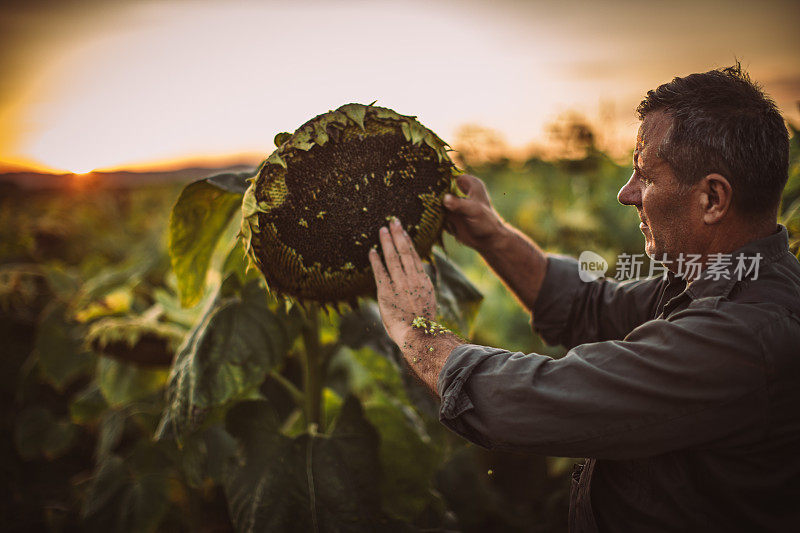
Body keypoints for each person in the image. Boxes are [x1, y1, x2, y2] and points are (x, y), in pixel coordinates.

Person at [368, 64, 800, 531]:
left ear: (713, 199)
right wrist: (493, 235)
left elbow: (535, 402)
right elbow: (588, 306)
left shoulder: (743, 338)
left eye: (645, 177)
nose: (626, 194)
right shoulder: (723, 277)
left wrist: (418, 332)